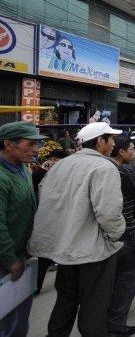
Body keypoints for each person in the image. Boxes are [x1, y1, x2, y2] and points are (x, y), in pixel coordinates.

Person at [29, 122, 125, 337]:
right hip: (93, 251)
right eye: (111, 139)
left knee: (66, 299)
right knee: (94, 306)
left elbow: (47, 200)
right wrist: (117, 235)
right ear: (100, 141)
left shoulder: (62, 165)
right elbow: (109, 213)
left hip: (65, 248)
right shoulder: (104, 167)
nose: (114, 144)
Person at [0, 122, 46, 336]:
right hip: (7, 260)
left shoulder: (23, 169)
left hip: (22, 254)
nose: (35, 149)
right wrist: (10, 259)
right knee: (8, 321)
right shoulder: (2, 177)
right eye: (30, 144)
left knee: (19, 316)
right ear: (8, 144)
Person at [107, 136, 135, 336]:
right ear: (122, 152)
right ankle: (116, 323)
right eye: (132, 149)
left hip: (108, 230)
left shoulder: (104, 167)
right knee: (128, 277)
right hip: (125, 228)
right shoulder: (122, 170)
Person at [32, 149, 68, 296]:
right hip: (47, 219)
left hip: (57, 218)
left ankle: (41, 286)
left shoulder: (54, 172)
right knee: (45, 257)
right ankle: (36, 286)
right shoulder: (41, 173)